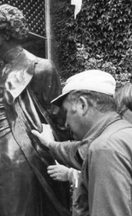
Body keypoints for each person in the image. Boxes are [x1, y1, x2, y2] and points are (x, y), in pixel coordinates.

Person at [0, 4, 70, 216]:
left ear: (6, 32)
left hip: (22, 159)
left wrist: (61, 156)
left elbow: (58, 119)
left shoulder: (39, 68)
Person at [32, 70, 132, 216]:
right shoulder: (121, 134)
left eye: (66, 112)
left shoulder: (104, 149)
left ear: (82, 105)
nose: (65, 124)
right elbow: (80, 151)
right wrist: (50, 144)